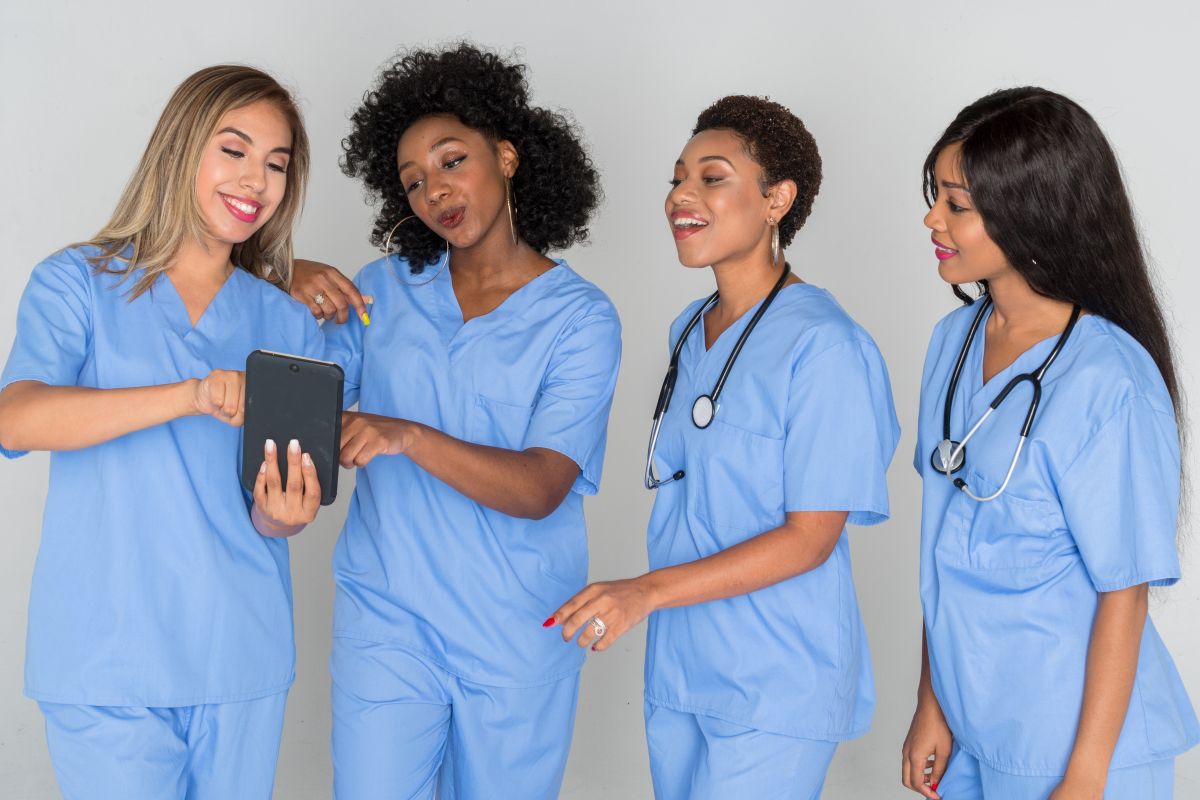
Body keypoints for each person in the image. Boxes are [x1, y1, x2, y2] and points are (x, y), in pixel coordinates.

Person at [549, 95, 899, 800]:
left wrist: (642, 593)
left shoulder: (826, 346)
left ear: (777, 199)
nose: (680, 195)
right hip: (682, 670)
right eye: (678, 177)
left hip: (777, 682)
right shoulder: (690, 329)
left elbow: (810, 539)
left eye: (712, 178)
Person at [299, 44, 621, 799]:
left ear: (506, 157)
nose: (434, 190)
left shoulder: (581, 319)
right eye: (413, 181)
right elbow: (292, 383)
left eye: (451, 162)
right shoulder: (379, 291)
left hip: (516, 632)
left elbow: (543, 485)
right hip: (388, 621)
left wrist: (407, 435)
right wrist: (284, 273)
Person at [0, 65, 325, 799]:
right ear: (180, 149)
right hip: (106, 657)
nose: (257, 180)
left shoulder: (286, 321)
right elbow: (15, 417)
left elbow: (270, 508)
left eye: (277, 164)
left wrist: (281, 516)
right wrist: (187, 395)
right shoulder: (77, 282)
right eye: (235, 150)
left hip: (240, 653)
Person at [901, 87, 1199, 800]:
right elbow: (942, 546)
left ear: (1028, 211)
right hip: (976, 732)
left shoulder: (1107, 376)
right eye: (935, 196)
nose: (931, 219)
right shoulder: (953, 342)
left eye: (957, 204)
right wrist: (932, 705)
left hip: (1080, 753)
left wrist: (1086, 778)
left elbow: (1122, 591)